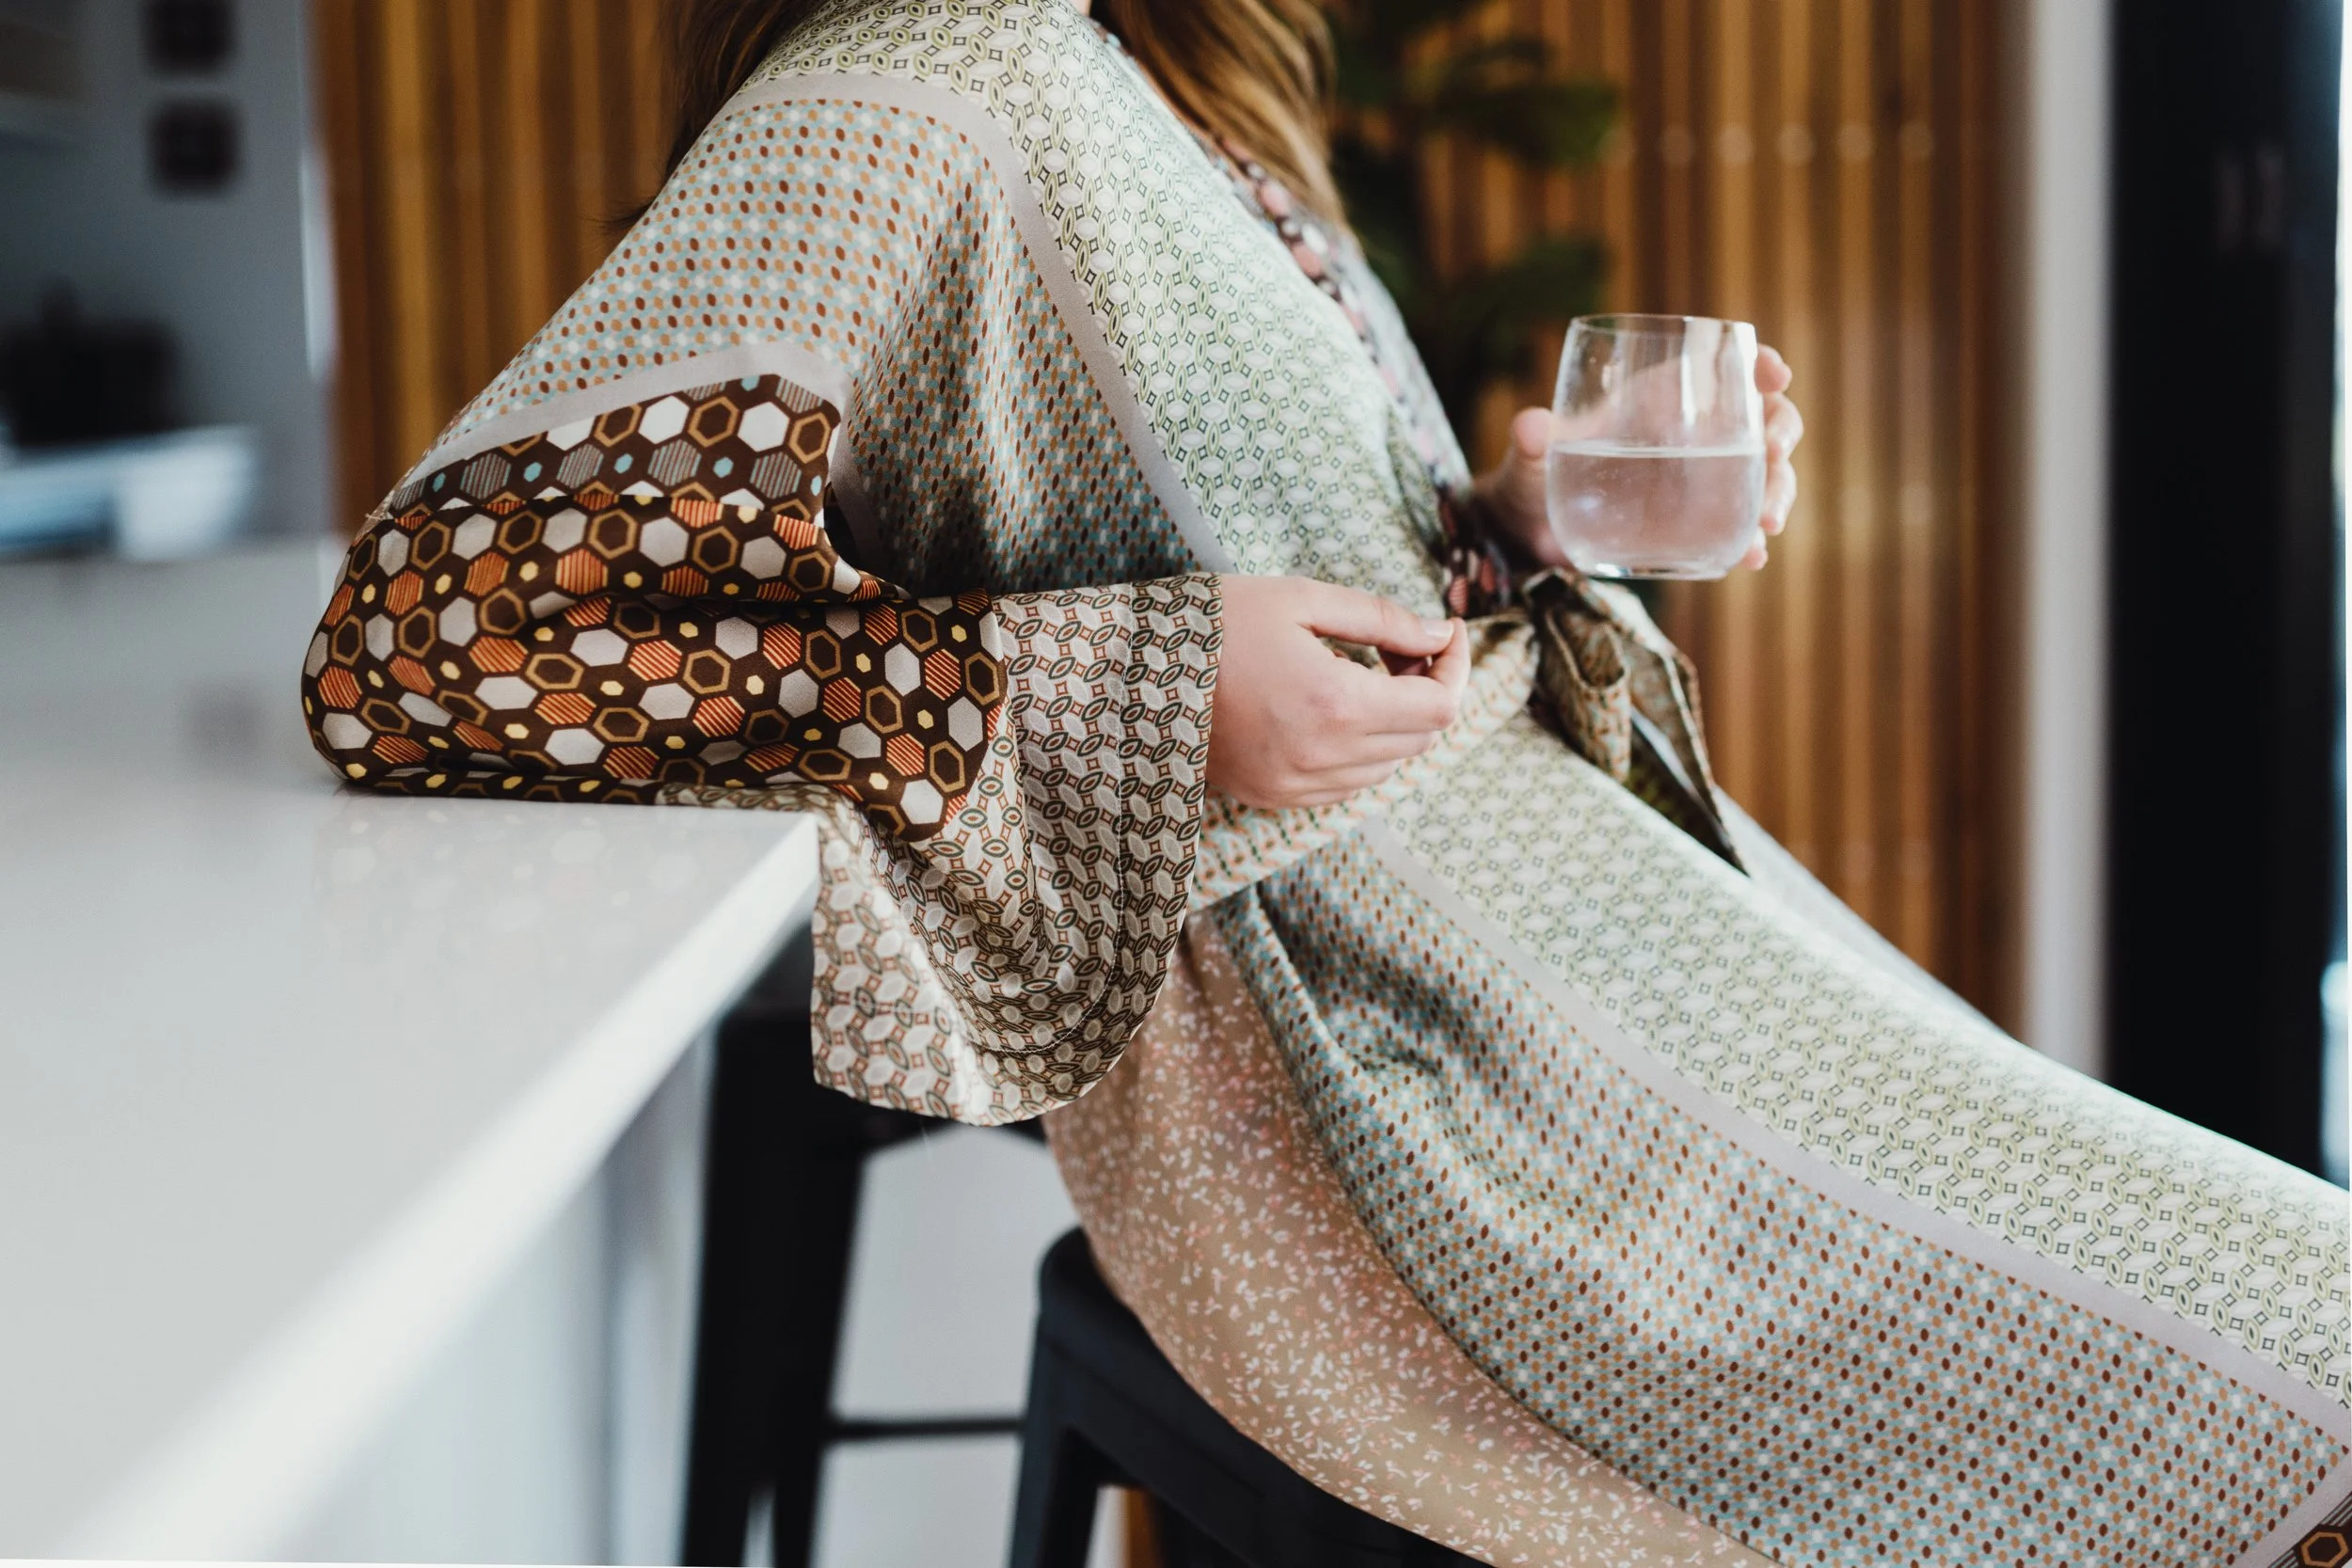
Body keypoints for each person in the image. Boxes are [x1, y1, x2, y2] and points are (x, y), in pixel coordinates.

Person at [300, 0, 2348, 1560]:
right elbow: (426, 646)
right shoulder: (914, 94)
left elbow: (1271, 587)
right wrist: (1132, 697)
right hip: (1423, 1083)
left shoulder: (1175, 95)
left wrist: (1501, 529)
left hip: (1612, 979)